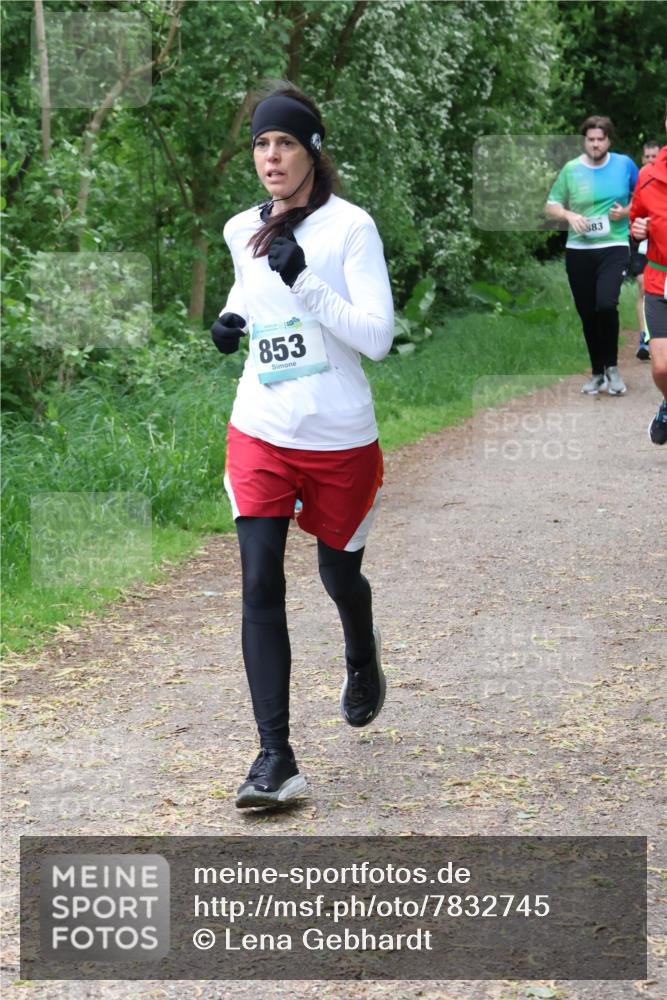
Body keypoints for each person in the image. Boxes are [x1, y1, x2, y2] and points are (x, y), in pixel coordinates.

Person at [210, 82, 394, 808]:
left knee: (338, 576)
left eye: (285, 142)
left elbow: (375, 338)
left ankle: (361, 652)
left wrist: (306, 282)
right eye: (261, 143)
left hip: (340, 436)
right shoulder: (240, 228)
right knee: (259, 582)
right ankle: (274, 758)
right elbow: (250, 296)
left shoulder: (350, 229)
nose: (271, 156)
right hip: (261, 425)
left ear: (312, 151)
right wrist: (229, 320)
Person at [546, 116, 638, 395]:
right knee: (587, 313)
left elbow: (644, 197)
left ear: (609, 140)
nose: (595, 144)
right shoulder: (571, 169)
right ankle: (597, 372)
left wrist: (626, 211)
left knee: (606, 304)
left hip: (613, 245)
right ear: (584, 141)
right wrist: (569, 214)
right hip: (579, 250)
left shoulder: (624, 165)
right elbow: (551, 205)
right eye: (591, 139)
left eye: (600, 139)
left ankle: (612, 369)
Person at [629, 119, 667, 445]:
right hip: (660, 280)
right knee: (661, 368)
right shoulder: (648, 177)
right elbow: (635, 220)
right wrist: (638, 229)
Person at [631, 140, 660, 359]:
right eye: (647, 156)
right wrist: (637, 227)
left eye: (654, 156)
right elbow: (635, 210)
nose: (650, 160)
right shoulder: (643, 176)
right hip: (645, 245)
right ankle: (645, 335)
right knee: (642, 284)